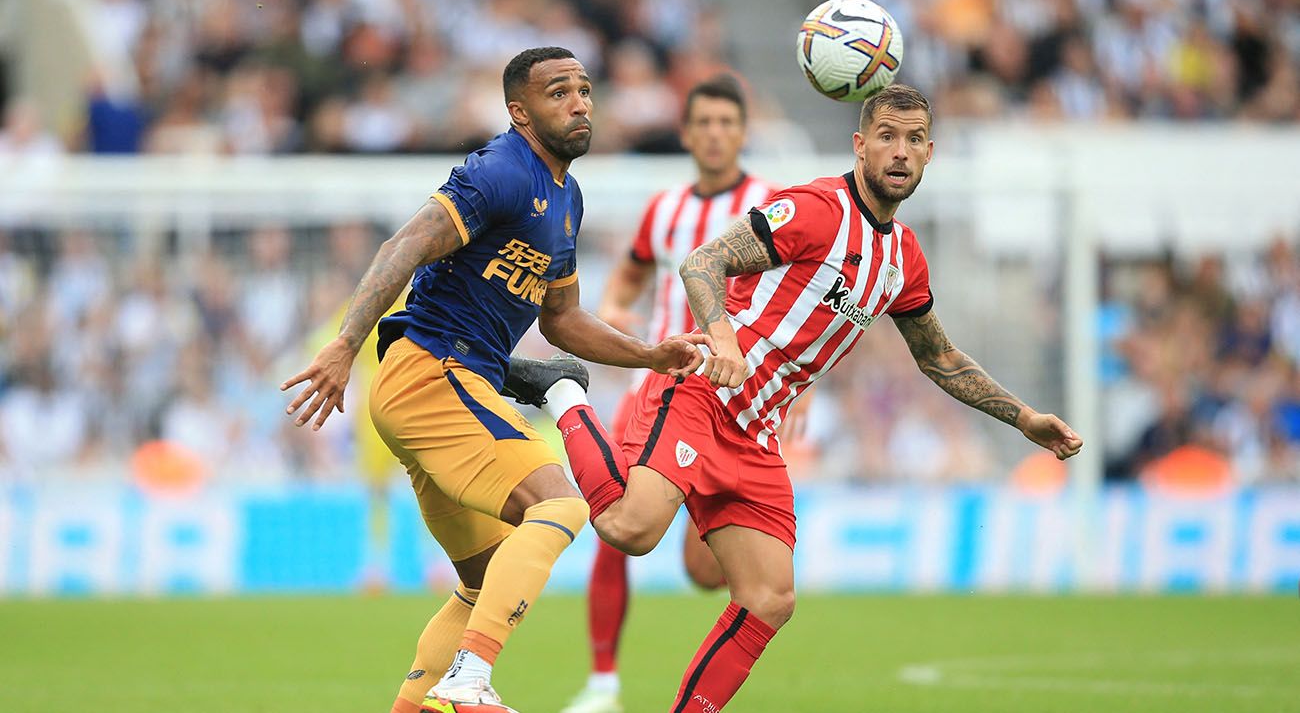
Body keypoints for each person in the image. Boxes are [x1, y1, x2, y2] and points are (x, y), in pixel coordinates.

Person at [505, 84, 1084, 712]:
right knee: (629, 529)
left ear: (930, 152)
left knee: (770, 597)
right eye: (887, 137)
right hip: (701, 392)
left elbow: (939, 358)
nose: (900, 152)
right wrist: (721, 336)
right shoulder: (813, 209)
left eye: (915, 139)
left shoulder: (903, 258)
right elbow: (703, 262)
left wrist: (1024, 417)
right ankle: (563, 390)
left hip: (757, 432)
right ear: (860, 146)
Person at [280, 46, 706, 713]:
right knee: (561, 505)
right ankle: (470, 677)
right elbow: (405, 245)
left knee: (482, 582)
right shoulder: (501, 172)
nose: (579, 103)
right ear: (520, 111)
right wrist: (343, 344)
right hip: (434, 372)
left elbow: (562, 319)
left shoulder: (566, 198)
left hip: (437, 384)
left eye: (585, 89)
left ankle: (419, 703)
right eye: (559, 92)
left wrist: (649, 355)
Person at [562, 74, 777, 713]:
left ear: (742, 133)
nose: (714, 134)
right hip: (658, 385)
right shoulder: (665, 210)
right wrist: (617, 315)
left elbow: (798, 307)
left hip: (740, 398)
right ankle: (603, 683)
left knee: (707, 573)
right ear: (686, 133)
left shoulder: (772, 204)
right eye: (703, 123)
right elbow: (623, 283)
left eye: (726, 123)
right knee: (619, 524)